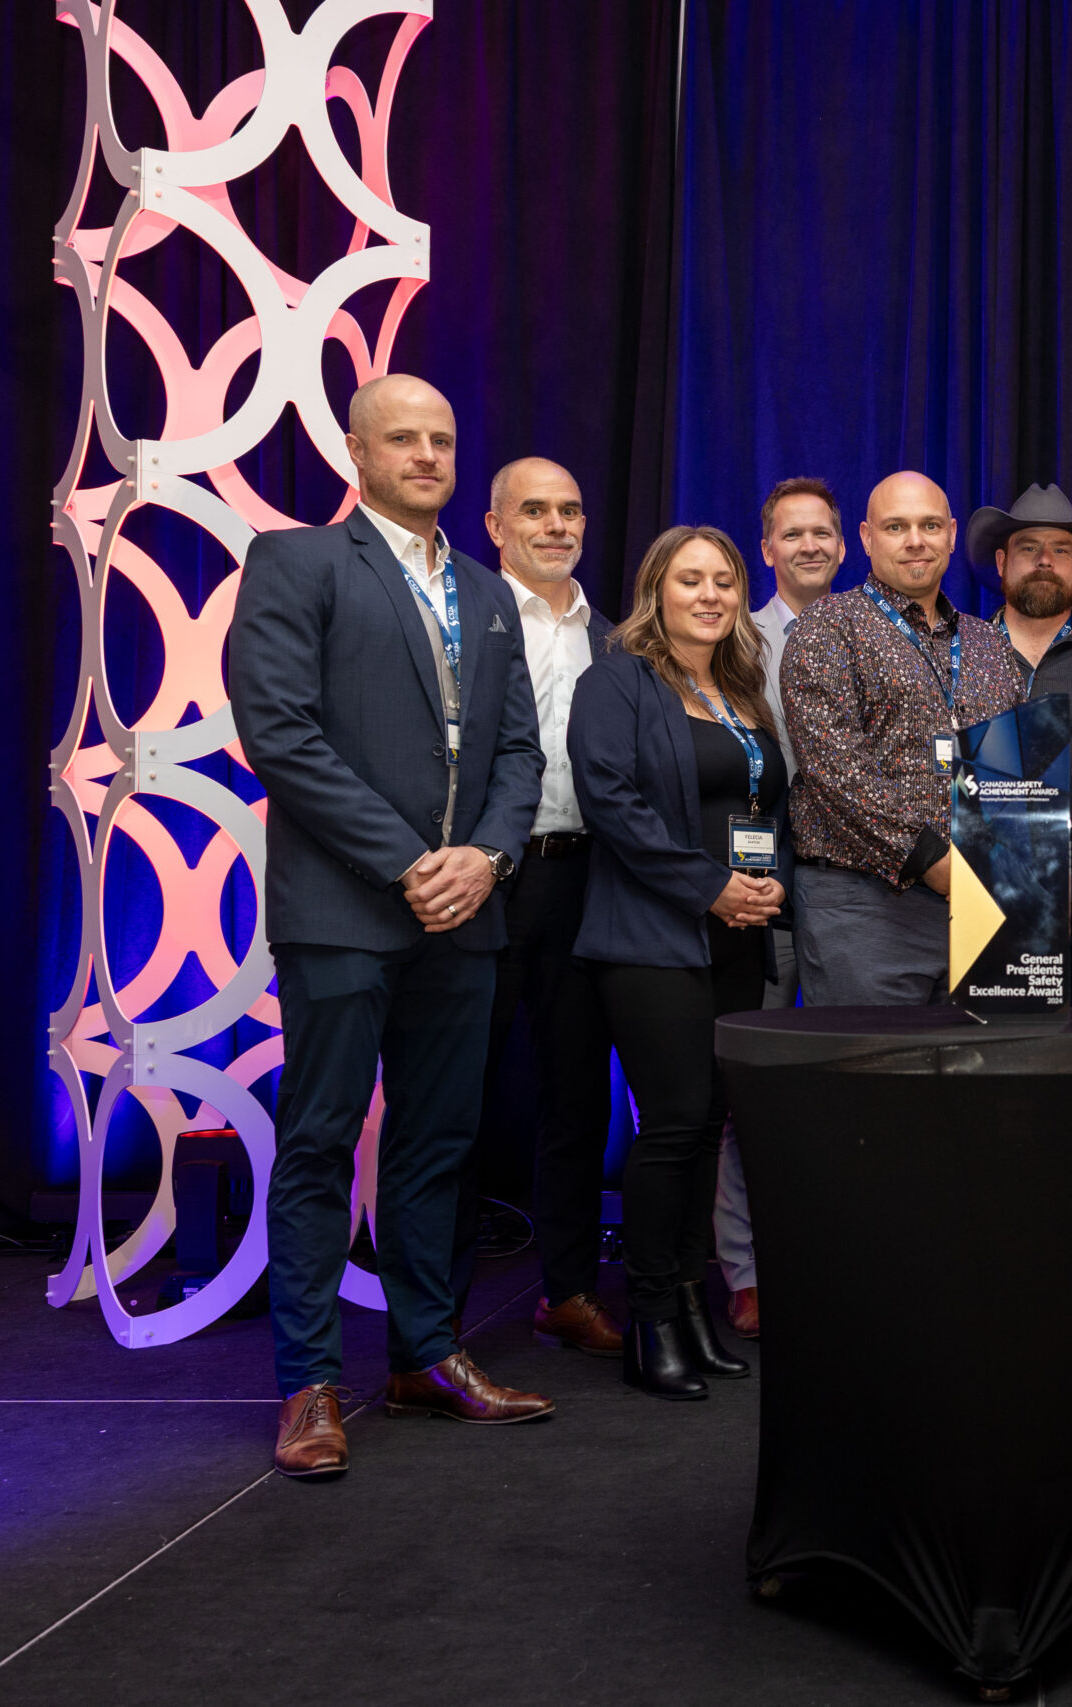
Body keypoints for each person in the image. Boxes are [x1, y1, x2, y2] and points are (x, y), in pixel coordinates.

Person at [230, 374, 552, 1480]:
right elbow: (281, 734)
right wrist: (411, 861)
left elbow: (519, 752)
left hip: (465, 914)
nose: (426, 456)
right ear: (357, 453)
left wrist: (486, 858)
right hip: (343, 911)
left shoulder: (489, 590)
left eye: (442, 439)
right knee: (320, 1140)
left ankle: (424, 1355)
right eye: (403, 439)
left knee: (439, 1144)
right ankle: (309, 1383)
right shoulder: (297, 562)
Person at [567, 525, 787, 1399]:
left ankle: (692, 1305)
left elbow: (763, 806)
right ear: (656, 588)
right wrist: (710, 887)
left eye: (723, 581)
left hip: (736, 934)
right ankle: (651, 1318)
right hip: (648, 936)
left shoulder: (738, 685)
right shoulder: (616, 680)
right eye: (690, 579)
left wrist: (767, 886)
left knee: (708, 1125)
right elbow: (611, 802)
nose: (710, 595)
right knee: (672, 1124)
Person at [444, 457, 621, 1361]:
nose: (557, 525)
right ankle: (435, 1322)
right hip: (481, 880)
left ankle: (570, 1289)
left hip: (582, 880)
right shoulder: (461, 617)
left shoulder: (616, 638)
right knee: (456, 1098)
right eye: (536, 510)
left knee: (578, 1096)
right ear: (495, 526)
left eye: (571, 510)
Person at [779, 471, 1022, 1006]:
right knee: (872, 1059)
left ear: (951, 535)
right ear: (867, 539)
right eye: (896, 527)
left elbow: (1013, 769)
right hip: (864, 908)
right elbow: (836, 771)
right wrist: (932, 859)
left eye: (930, 525)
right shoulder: (828, 627)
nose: (916, 540)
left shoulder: (988, 643)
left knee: (976, 1060)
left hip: (980, 906)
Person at [711, 476, 846, 1340]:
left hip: (849, 890)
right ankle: (746, 1269)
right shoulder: (730, 637)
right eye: (791, 534)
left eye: (821, 532)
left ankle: (830, 1254)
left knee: (837, 1082)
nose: (808, 546)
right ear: (766, 549)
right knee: (746, 1089)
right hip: (755, 890)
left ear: (844, 543)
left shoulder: (872, 634)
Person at [965, 482, 1072, 1006]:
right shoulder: (961, 653)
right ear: (1001, 562)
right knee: (999, 1054)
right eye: (1028, 548)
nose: (1044, 560)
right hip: (987, 903)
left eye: (1061, 549)